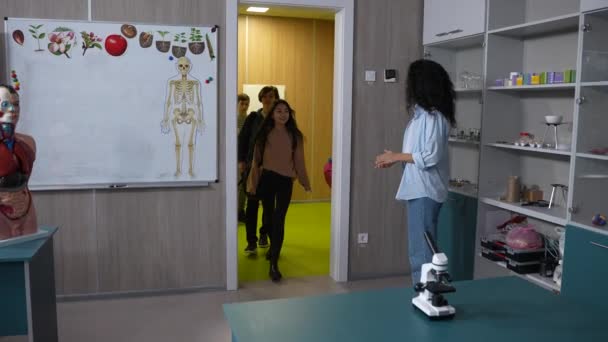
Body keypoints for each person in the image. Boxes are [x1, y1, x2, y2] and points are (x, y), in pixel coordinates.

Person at [374, 59, 455, 285]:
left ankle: (428, 295)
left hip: (425, 192)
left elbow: (429, 156)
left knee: (421, 254)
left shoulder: (433, 117)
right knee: (420, 250)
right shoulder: (421, 117)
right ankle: (427, 295)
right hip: (419, 190)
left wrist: (397, 156)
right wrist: (396, 157)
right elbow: (418, 154)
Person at [247, 99, 311, 282]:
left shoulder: (295, 136)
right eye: (278, 111)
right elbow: (256, 161)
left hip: (285, 182)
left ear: (290, 114)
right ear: (272, 115)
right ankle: (269, 243)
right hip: (267, 179)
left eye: (286, 111)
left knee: (279, 219)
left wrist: (305, 182)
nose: (283, 114)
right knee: (268, 217)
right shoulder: (264, 134)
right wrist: (252, 184)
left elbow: (300, 161)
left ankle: (274, 263)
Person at [238, 86, 280, 255]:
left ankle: (264, 235)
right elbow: (243, 140)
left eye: (272, 96)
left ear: (276, 99)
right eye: (265, 96)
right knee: (252, 206)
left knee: (269, 206)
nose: (268, 99)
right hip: (252, 168)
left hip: (272, 170)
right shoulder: (253, 118)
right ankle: (251, 241)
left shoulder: (280, 119)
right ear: (261, 99)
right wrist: (241, 161)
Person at [0, 85, 38, 240]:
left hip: (26, 210)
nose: (13, 110)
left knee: (30, 258)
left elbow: (24, 182)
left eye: (16, 104)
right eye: (5, 104)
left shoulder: (28, 143)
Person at [237, 93, 250, 222]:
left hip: (245, 159)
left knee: (243, 187)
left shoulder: (250, 120)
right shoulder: (232, 119)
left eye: (247, 104)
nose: (245, 106)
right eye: (242, 104)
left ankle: (241, 211)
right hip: (233, 158)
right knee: (235, 186)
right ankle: (233, 210)